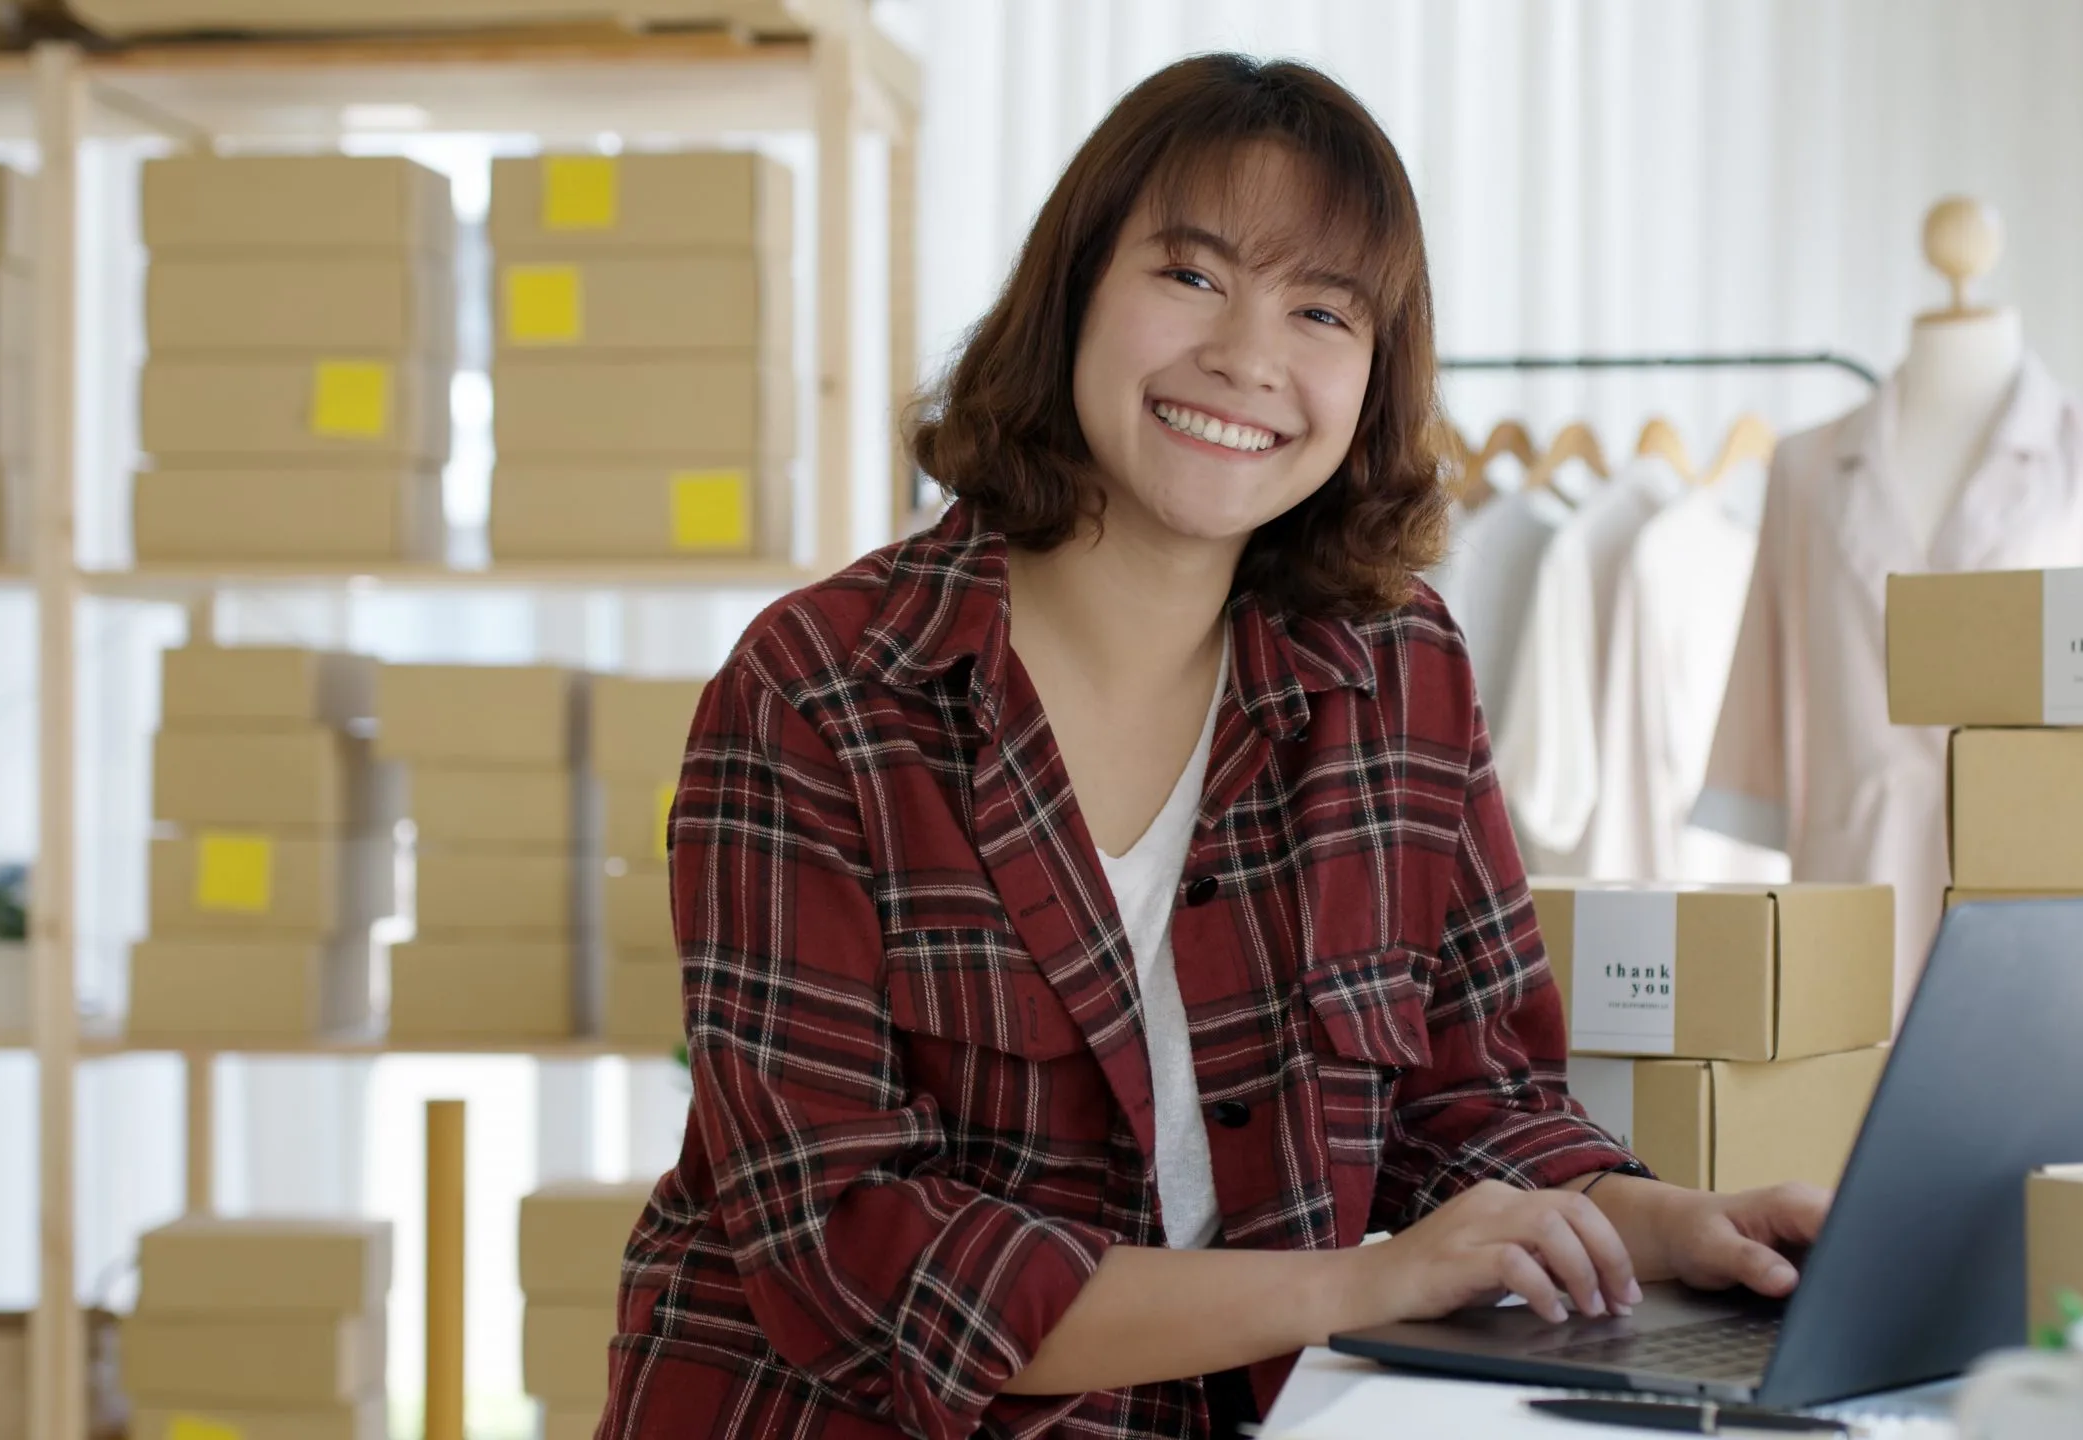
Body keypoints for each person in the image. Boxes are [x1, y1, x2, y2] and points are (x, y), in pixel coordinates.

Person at [597, 52, 1829, 1440]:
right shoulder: (821, 689)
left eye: (1320, 308)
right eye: (1190, 276)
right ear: (1073, 293)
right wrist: (1350, 1287)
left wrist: (1669, 1228)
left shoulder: (1396, 666)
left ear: (1374, 375)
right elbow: (849, 1250)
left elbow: (1470, 1098)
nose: (1249, 357)